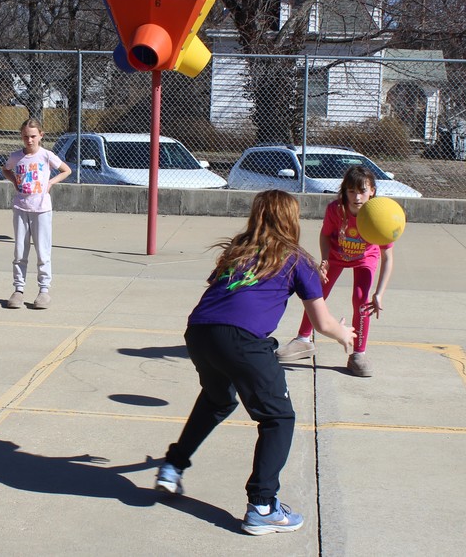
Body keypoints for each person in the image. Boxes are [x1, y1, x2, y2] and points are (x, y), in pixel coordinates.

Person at [154, 190, 354, 536]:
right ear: (291, 220)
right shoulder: (296, 259)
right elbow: (322, 323)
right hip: (242, 341)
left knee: (217, 399)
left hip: (200, 332)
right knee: (278, 417)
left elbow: (227, 291)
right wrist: (344, 334)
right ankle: (263, 506)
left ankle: (172, 466)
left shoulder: (238, 250)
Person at [275, 165, 393, 377]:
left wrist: (379, 293)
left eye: (363, 191)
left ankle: (358, 353)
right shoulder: (335, 210)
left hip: (365, 259)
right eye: (351, 191)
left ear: (372, 191)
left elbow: (387, 257)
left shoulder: (380, 214)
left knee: (361, 299)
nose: (357, 196)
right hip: (336, 257)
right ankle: (303, 340)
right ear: (344, 191)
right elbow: (325, 235)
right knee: (316, 292)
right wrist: (325, 260)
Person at [2, 118, 71, 309]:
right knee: (20, 250)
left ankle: (44, 291)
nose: (29, 140)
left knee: (43, 250)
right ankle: (18, 289)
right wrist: (15, 181)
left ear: (41, 135)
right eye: (25, 136)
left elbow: (66, 170)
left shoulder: (47, 155)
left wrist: (50, 183)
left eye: (33, 136)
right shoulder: (16, 156)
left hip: (41, 209)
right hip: (21, 207)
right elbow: (6, 170)